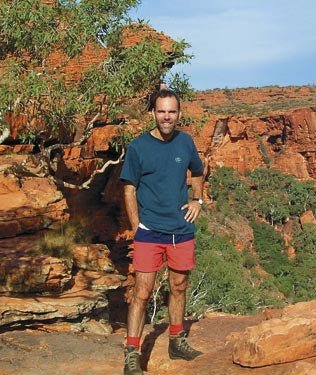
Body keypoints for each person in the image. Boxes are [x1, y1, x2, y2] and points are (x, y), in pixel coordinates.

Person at [119, 88, 204, 375]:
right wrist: (136, 228)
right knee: (142, 292)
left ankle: (176, 341)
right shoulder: (138, 147)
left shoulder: (186, 142)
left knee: (178, 287)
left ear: (178, 114)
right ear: (153, 113)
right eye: (161, 111)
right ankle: (132, 352)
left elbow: (198, 172)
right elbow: (129, 189)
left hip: (181, 230)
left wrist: (197, 200)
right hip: (150, 231)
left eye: (172, 111)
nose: (166, 117)